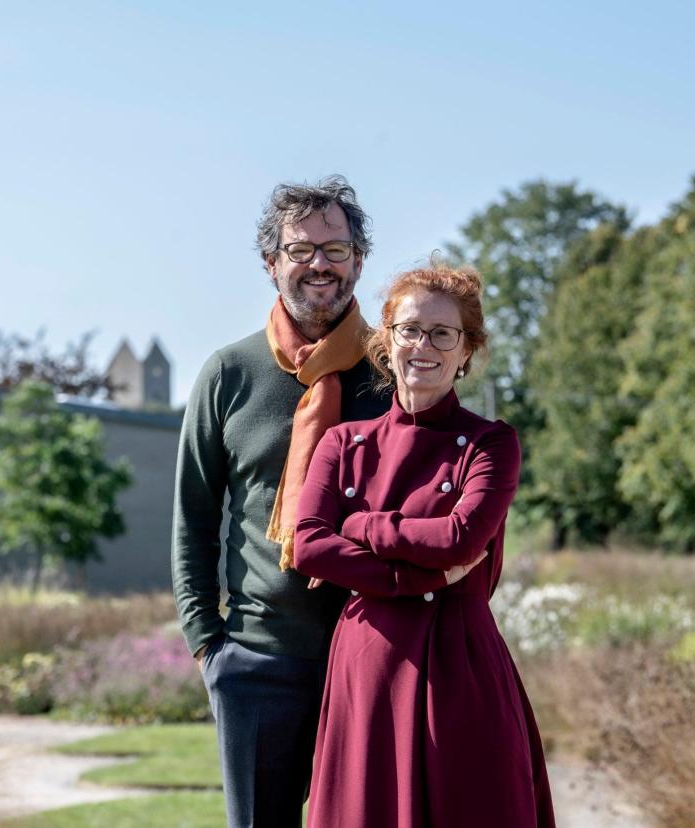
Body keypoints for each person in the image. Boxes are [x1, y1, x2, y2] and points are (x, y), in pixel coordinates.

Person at [173, 175, 426, 827]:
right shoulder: (228, 374)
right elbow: (193, 519)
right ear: (271, 263)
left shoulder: (392, 376)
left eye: (336, 249)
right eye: (301, 249)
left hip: (372, 654)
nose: (319, 263)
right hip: (257, 659)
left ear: (359, 261)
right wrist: (210, 647)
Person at [293, 263, 556, 827]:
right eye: (410, 329)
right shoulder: (343, 442)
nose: (424, 345)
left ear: (467, 352)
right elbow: (309, 545)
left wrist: (360, 525)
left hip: (458, 670)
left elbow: (460, 539)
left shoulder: (491, 444)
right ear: (386, 342)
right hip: (370, 670)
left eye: (443, 333)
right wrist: (418, 578)